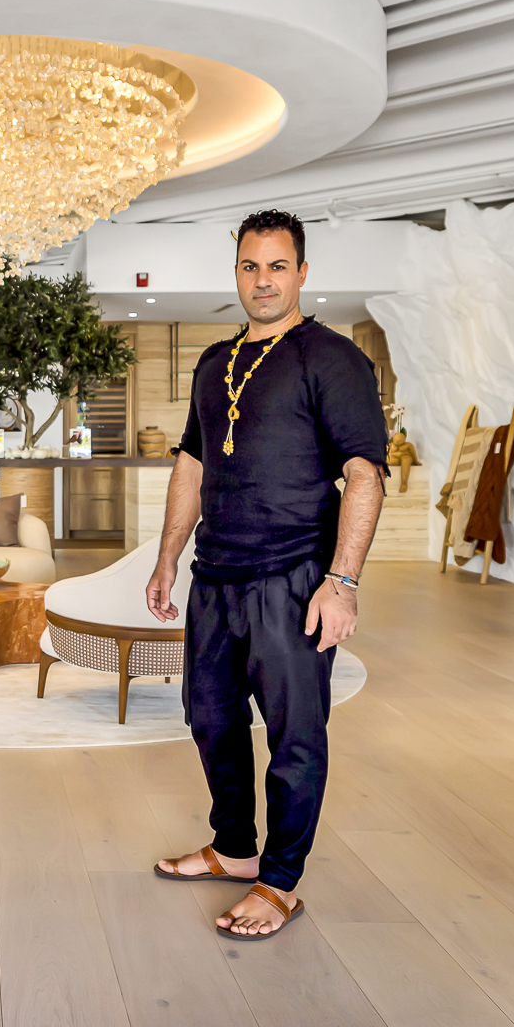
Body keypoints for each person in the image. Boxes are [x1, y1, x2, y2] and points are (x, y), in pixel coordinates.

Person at [146, 209, 386, 939]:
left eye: (277, 265)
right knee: (210, 720)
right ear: (237, 273)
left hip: (291, 575)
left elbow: (364, 474)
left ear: (302, 272)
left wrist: (340, 583)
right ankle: (234, 849)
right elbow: (191, 462)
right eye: (250, 266)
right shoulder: (214, 362)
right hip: (214, 575)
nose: (263, 279)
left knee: (293, 735)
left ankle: (280, 882)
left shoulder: (332, 358)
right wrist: (165, 557)